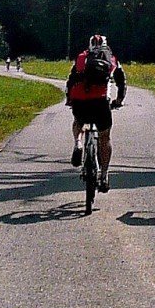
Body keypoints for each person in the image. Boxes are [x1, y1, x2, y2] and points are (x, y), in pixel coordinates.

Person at [65, 33, 126, 191]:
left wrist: (69, 99)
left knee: (78, 122)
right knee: (104, 137)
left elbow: (70, 81)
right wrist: (119, 100)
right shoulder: (111, 59)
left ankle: (78, 143)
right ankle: (104, 175)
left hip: (80, 102)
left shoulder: (81, 58)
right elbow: (121, 82)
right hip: (100, 103)